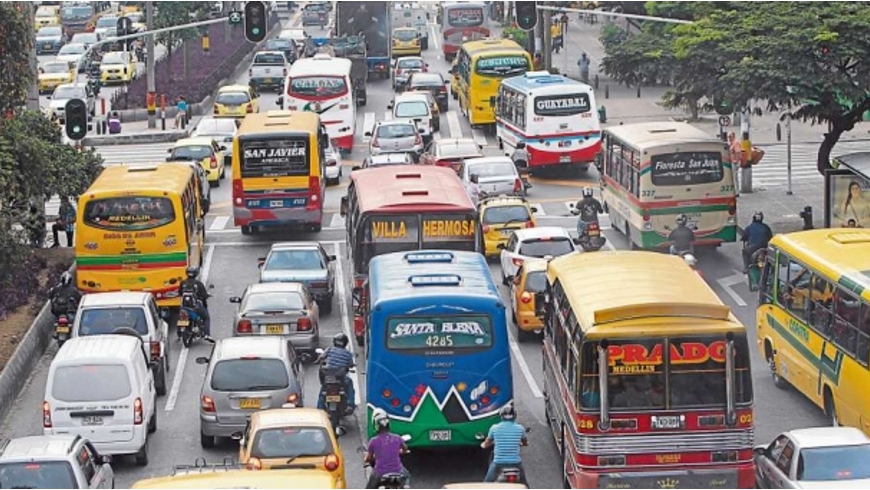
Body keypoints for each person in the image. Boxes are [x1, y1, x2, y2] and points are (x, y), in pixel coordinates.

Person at [481, 403, 529, 485]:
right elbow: (525, 442)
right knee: (524, 484)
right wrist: (522, 443)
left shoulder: (494, 428)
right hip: (516, 463)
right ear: (514, 416)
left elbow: (486, 444)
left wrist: (483, 445)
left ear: (501, 416)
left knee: (486, 484)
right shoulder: (520, 428)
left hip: (498, 462)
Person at [365, 409, 410, 489]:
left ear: (376, 426)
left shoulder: (373, 441)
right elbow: (405, 448)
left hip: (380, 472)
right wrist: (401, 451)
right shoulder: (397, 438)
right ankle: (406, 486)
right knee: (407, 476)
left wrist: (366, 459)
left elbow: (369, 458)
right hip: (398, 470)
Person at [316, 333, 356, 412]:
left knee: (323, 390)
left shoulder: (330, 349)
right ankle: (350, 404)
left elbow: (321, 357)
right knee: (349, 384)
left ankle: (319, 408)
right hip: (340, 378)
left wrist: (317, 361)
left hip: (328, 377)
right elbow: (350, 364)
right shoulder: (347, 354)